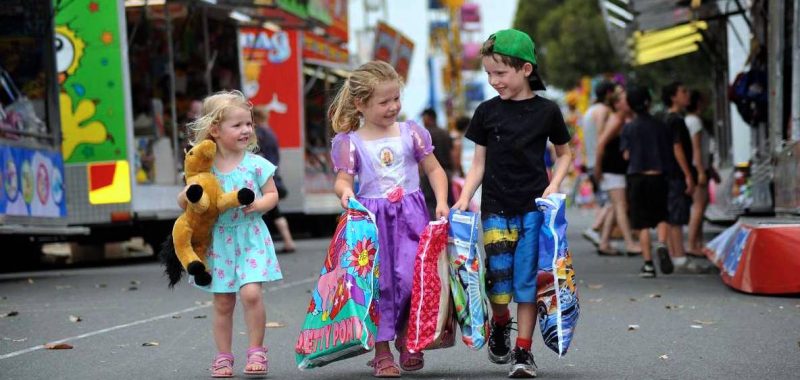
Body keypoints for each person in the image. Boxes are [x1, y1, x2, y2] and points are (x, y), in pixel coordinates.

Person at [453, 29, 572, 378]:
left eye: (500, 73)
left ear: (526, 69)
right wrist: (464, 198)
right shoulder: (486, 112)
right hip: (495, 208)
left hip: (534, 210)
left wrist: (553, 185)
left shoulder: (548, 111)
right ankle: (501, 322)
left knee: (527, 283)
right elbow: (478, 164)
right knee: (498, 284)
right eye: (489, 73)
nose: (494, 81)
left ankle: (523, 350)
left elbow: (565, 154)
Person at [329, 60, 449, 377]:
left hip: (412, 217)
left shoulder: (412, 133)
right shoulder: (350, 142)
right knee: (378, 284)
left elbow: (434, 169)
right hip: (372, 221)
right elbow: (343, 180)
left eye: (396, 98)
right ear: (360, 104)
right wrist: (345, 193)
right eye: (384, 102)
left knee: (413, 278)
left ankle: (409, 337)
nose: (393, 106)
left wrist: (441, 201)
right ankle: (382, 351)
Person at [177, 91, 282, 377]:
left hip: (250, 237)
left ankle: (256, 350)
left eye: (248, 124)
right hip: (218, 240)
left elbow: (272, 194)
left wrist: (260, 204)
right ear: (215, 129)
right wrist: (188, 196)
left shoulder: (256, 164)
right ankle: (223, 356)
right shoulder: (204, 167)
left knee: (251, 293)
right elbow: (184, 200)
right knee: (223, 302)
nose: (246, 130)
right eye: (237, 125)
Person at [621, 84, 674, 278]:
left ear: (629, 105)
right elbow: (668, 150)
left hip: (637, 177)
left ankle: (648, 265)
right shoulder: (661, 125)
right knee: (661, 216)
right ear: (649, 102)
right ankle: (662, 243)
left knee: (642, 222)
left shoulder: (629, 127)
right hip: (658, 176)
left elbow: (626, 155)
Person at [661, 82, 709, 273]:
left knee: (674, 214)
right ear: (673, 97)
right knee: (677, 216)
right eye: (683, 92)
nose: (687, 95)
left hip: (669, 173)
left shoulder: (666, 119)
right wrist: (689, 174)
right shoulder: (676, 121)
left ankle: (675, 253)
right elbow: (677, 147)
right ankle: (679, 256)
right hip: (677, 174)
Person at [593, 86, 642, 256]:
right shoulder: (617, 120)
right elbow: (601, 144)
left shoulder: (623, 119)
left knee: (615, 206)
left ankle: (604, 243)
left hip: (616, 168)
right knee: (621, 206)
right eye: (623, 100)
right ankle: (630, 243)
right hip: (613, 168)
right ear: (616, 104)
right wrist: (598, 168)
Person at [253, 106, 297, 253]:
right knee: (274, 211)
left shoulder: (259, 134)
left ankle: (286, 241)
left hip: (264, 177)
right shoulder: (271, 133)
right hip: (273, 174)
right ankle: (287, 241)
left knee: (271, 212)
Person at [581, 81, 616, 246]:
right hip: (599, 161)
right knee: (611, 201)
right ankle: (594, 229)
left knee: (603, 201)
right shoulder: (603, 110)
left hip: (591, 160)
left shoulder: (590, 110)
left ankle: (603, 239)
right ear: (608, 93)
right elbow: (602, 135)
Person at [685, 90, 709, 256]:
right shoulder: (695, 122)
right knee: (699, 207)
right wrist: (701, 171)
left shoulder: (688, 121)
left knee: (699, 206)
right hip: (698, 167)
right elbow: (697, 149)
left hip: (696, 166)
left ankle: (697, 242)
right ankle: (692, 243)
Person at [420, 108, 454, 218]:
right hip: (447, 172)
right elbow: (452, 153)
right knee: (446, 202)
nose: (423, 121)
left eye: (424, 118)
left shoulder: (426, 134)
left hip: (429, 174)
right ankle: (446, 224)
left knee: (430, 204)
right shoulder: (445, 132)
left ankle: (435, 225)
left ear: (430, 118)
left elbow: (421, 158)